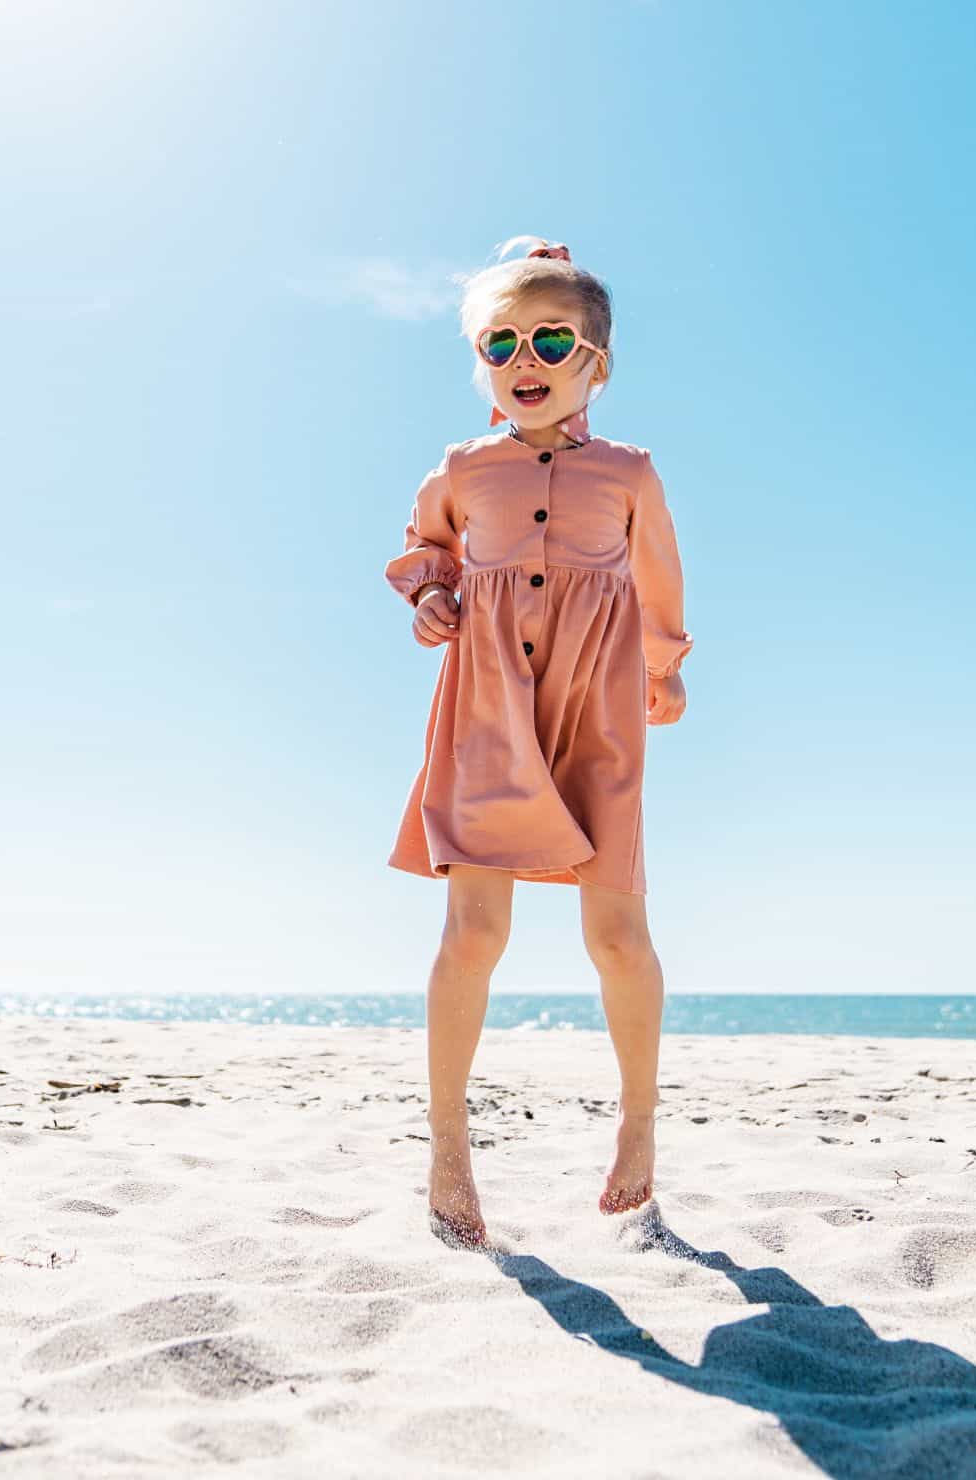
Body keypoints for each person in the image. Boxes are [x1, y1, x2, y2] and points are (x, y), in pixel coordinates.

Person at [383, 235, 693, 1248]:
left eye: (552, 338)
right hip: (488, 708)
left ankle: (639, 1123)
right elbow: (427, 547)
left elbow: (658, 583)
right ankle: (445, 1142)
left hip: (598, 709)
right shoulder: (464, 468)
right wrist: (433, 593)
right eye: (501, 339)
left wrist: (661, 671)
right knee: (473, 931)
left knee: (616, 933)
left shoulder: (633, 473)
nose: (525, 357)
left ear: (597, 362)